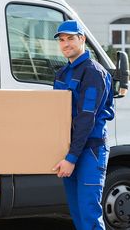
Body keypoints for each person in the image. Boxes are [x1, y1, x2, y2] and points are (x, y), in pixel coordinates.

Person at [53, 20, 114, 230]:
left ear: (82, 39)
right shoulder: (62, 73)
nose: (65, 44)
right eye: (62, 40)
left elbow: (86, 119)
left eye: (70, 38)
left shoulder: (94, 73)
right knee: (78, 214)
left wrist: (71, 157)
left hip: (89, 152)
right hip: (70, 150)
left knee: (89, 215)